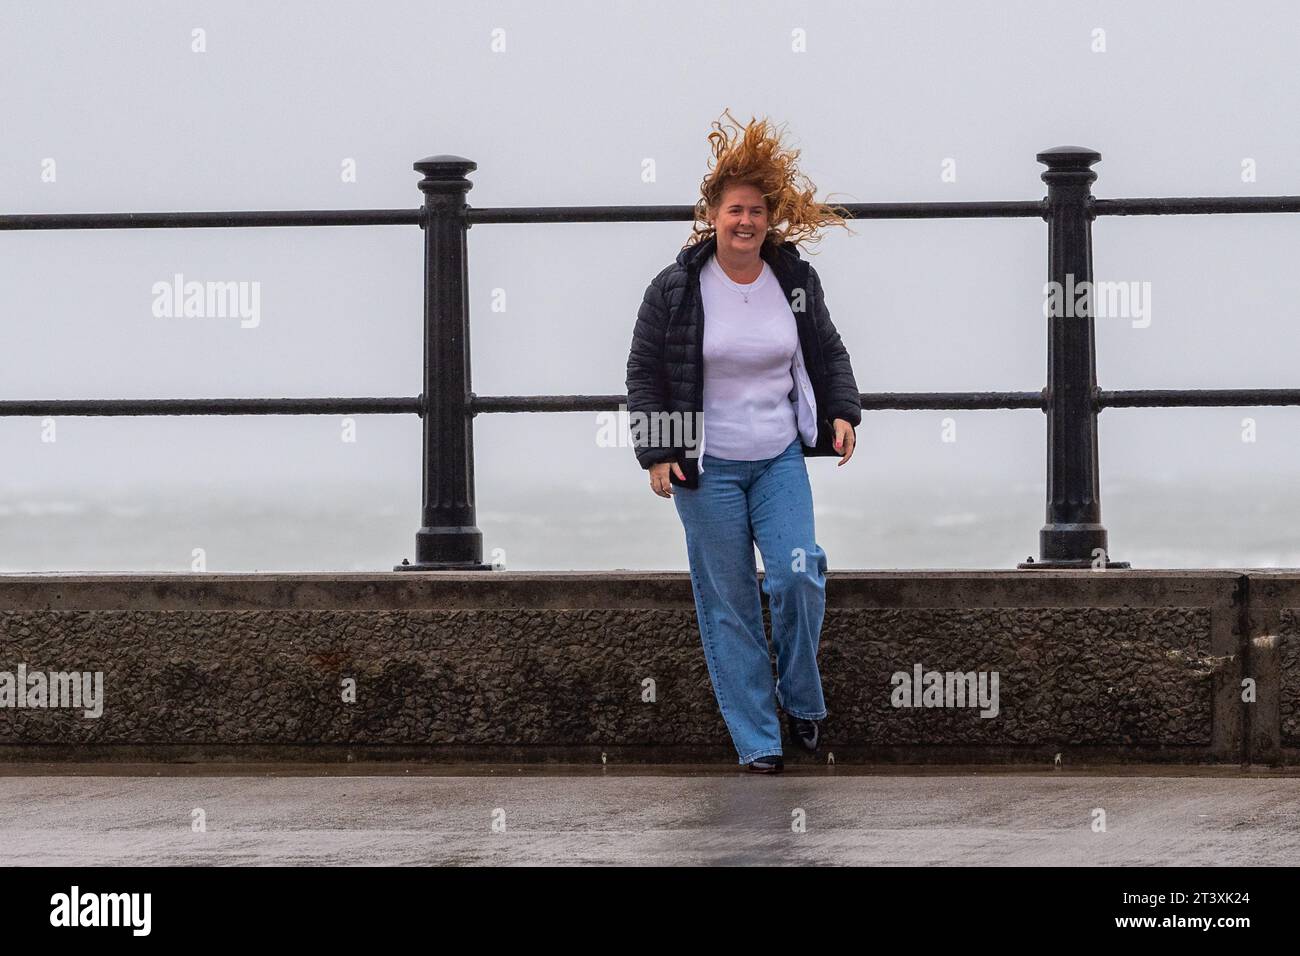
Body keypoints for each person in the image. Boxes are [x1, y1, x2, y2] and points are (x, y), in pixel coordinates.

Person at [625, 109, 862, 774]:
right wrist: (658, 451)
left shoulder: (792, 281)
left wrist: (841, 411)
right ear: (712, 215)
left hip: (779, 458)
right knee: (729, 605)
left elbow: (827, 349)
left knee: (796, 575)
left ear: (770, 217)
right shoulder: (676, 289)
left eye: (757, 211)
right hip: (709, 470)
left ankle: (802, 698)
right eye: (734, 210)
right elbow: (644, 373)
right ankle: (760, 743)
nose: (746, 222)